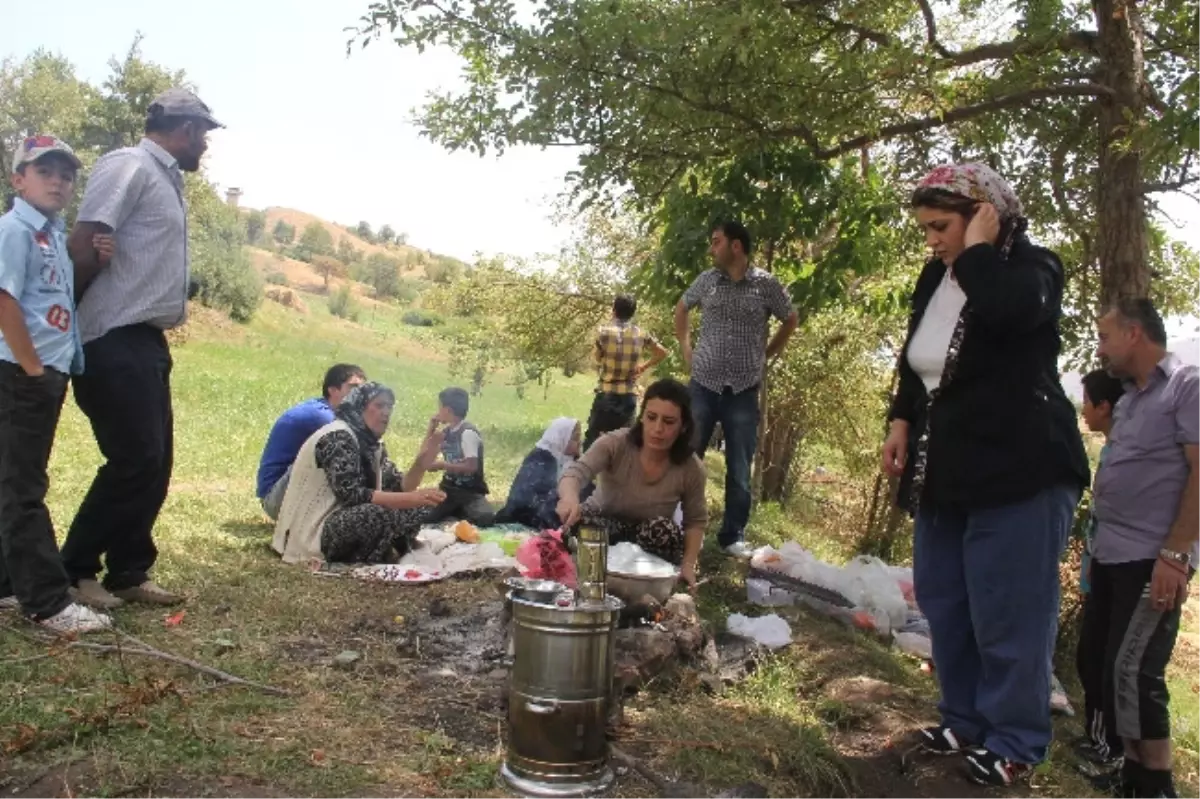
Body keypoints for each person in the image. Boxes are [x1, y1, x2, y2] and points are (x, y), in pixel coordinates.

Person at [880, 163, 1089, 787]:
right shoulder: (934, 276)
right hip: (947, 469)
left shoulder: (1034, 270)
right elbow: (916, 359)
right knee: (946, 600)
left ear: (984, 215)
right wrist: (899, 418)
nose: (932, 241)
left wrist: (976, 254)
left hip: (1021, 470)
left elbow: (1009, 314)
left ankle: (1017, 740)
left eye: (942, 227)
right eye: (926, 229)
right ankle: (965, 720)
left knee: (1010, 611)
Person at [62, 88, 224, 610]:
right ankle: (75, 570)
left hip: (145, 339)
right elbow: (85, 239)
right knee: (134, 458)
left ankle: (129, 570)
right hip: (111, 332)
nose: (205, 146)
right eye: (203, 135)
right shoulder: (128, 165)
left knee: (156, 462)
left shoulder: (166, 178)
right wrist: (64, 323)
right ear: (186, 130)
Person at [0, 136, 114, 634]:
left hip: (43, 374)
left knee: (11, 481)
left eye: (66, 174)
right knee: (24, 488)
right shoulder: (14, 231)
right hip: (20, 376)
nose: (57, 181)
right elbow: (4, 300)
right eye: (44, 171)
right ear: (17, 179)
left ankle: (8, 585)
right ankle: (48, 602)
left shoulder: (50, 236)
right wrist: (30, 369)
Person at [1087, 299, 1199, 799]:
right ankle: (1133, 778)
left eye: (1105, 336)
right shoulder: (1132, 397)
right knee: (1108, 668)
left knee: (1134, 669)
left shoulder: (1186, 387)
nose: (1100, 347)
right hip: (1111, 555)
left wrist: (1175, 554)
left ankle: (1157, 785)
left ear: (1134, 334)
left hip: (1152, 559)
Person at [675, 220, 798, 559]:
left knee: (740, 465)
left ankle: (731, 537)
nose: (711, 249)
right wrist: (687, 349)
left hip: (743, 390)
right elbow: (682, 308)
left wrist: (767, 354)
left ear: (736, 246)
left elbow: (790, 318)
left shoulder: (766, 285)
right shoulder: (707, 281)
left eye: (716, 242)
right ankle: (675, 523)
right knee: (687, 455)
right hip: (703, 384)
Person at [556, 378, 706, 591]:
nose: (657, 429)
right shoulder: (615, 443)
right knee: (577, 524)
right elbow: (575, 473)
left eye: (669, 422)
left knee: (666, 532)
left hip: (649, 537)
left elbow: (695, 521)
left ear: (683, 426)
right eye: (652, 417)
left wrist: (689, 565)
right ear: (642, 417)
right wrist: (569, 498)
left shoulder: (691, 468)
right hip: (604, 524)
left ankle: (645, 583)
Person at [272, 382, 446, 564]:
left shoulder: (371, 445)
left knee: (416, 507)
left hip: (345, 519)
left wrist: (421, 464)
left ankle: (391, 548)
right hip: (313, 532)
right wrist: (412, 498)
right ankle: (372, 556)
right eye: (379, 405)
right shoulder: (338, 437)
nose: (386, 412)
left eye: (389, 407)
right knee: (376, 513)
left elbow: (399, 487)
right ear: (359, 406)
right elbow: (352, 495)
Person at [1074, 369, 1127, 773]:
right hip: (1100, 568)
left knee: (1103, 660)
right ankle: (1098, 738)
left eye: (1088, 401)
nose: (1084, 409)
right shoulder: (1110, 449)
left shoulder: (1125, 450)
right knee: (1090, 657)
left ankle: (1110, 746)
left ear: (1105, 407)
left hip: (1118, 568)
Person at [256, 364, 366, 520]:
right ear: (333, 390)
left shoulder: (323, 409)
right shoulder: (323, 418)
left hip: (281, 495)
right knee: (337, 456)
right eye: (353, 387)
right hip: (276, 500)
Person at [582, 294, 667, 451]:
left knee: (592, 440)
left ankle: (586, 474)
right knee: (626, 445)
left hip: (606, 393)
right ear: (632, 313)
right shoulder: (641, 334)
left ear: (614, 310)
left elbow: (597, 359)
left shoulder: (603, 332)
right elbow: (662, 352)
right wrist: (643, 366)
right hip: (628, 395)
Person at [425, 387, 495, 527]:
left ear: (448, 410)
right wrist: (431, 428)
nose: (438, 411)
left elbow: (471, 467)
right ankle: (456, 511)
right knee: (422, 515)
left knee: (485, 518)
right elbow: (425, 456)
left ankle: (458, 511)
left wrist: (443, 465)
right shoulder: (445, 432)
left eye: (440, 407)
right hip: (448, 489)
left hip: (470, 492)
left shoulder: (467, 433)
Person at [496, 417, 580, 530]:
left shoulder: (570, 461)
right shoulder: (541, 459)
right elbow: (532, 501)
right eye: (575, 438)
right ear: (561, 438)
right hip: (523, 520)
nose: (580, 442)